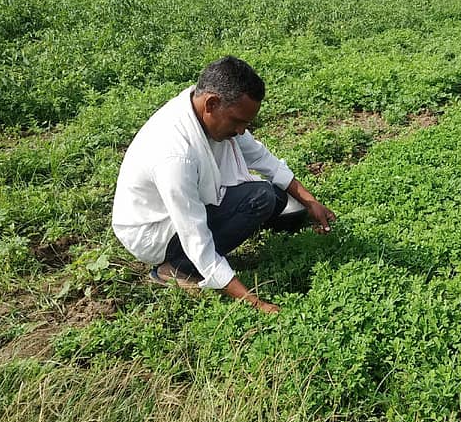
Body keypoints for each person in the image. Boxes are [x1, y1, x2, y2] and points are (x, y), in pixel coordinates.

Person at [111, 56, 336, 314]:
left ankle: (284, 217)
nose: (242, 131)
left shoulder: (205, 110)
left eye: (246, 124)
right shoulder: (175, 156)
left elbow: (263, 159)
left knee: (286, 204)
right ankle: (177, 267)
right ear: (212, 103)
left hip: (190, 202)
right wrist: (256, 302)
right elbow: (195, 236)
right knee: (260, 197)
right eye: (238, 122)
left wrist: (310, 202)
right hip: (154, 229)